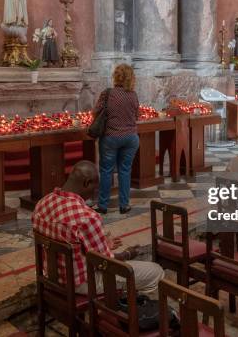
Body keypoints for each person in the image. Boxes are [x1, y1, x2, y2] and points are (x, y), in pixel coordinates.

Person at [32, 161, 164, 295]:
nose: (94, 193)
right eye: (95, 188)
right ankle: (121, 306)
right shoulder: (87, 217)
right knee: (155, 272)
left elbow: (71, 242)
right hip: (81, 284)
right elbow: (105, 262)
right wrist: (127, 254)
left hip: (51, 277)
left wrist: (103, 244)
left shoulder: (42, 204)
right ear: (86, 183)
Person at [93, 64, 140, 215]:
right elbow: (136, 116)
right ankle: (124, 205)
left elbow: (96, 113)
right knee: (125, 171)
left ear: (115, 76)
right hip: (131, 138)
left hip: (111, 137)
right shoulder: (133, 95)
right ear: (131, 78)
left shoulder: (107, 94)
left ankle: (103, 206)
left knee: (106, 171)